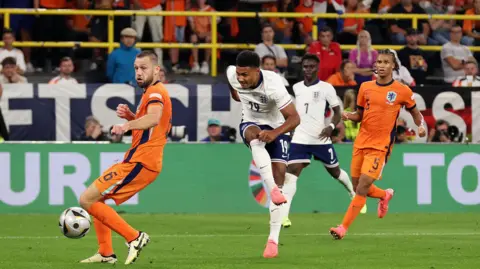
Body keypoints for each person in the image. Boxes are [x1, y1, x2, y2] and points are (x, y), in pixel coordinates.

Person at [79, 50, 172, 265]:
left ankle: (135, 237)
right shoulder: (151, 91)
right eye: (136, 68)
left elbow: (154, 119)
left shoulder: (156, 93)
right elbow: (159, 124)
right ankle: (106, 253)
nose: (139, 73)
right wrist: (132, 116)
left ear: (157, 70)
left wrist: (126, 125)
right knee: (95, 201)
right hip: (138, 160)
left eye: (144, 68)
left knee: (86, 199)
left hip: (142, 162)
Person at [330, 49, 426, 240]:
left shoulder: (402, 90)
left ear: (393, 66)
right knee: (358, 186)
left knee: (363, 185)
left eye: (385, 62)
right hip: (361, 142)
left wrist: (421, 126)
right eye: (379, 62)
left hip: (381, 145)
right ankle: (384, 195)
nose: (381, 65)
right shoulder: (365, 87)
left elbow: (416, 113)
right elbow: (360, 116)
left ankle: (343, 228)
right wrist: (349, 116)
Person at [226, 50, 300, 258]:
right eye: (239, 74)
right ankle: (272, 189)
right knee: (255, 137)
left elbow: (294, 118)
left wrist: (275, 133)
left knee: (280, 174)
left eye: (245, 75)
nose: (240, 78)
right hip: (251, 122)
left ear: (257, 71)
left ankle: (273, 240)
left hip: (278, 126)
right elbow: (234, 90)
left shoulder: (274, 85)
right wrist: (238, 90)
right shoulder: (232, 73)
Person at [282, 54, 364, 229]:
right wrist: (290, 129)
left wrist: (332, 126)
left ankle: (353, 193)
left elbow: (337, 110)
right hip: (300, 138)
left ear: (317, 68)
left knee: (335, 173)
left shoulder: (326, 88)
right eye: (305, 66)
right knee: (290, 176)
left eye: (311, 66)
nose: (308, 69)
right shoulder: (296, 88)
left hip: (320, 138)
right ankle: (284, 216)